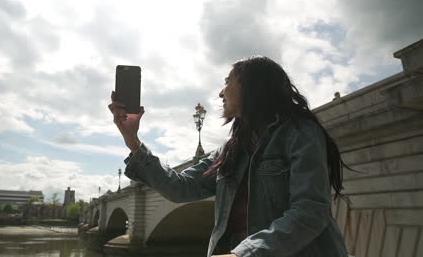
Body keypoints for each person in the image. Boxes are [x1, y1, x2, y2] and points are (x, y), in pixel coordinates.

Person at [108, 56, 351, 257]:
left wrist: (243, 254)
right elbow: (179, 188)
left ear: (252, 86)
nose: (221, 92)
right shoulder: (230, 150)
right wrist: (132, 139)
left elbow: (310, 212)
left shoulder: (300, 133)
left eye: (228, 81)